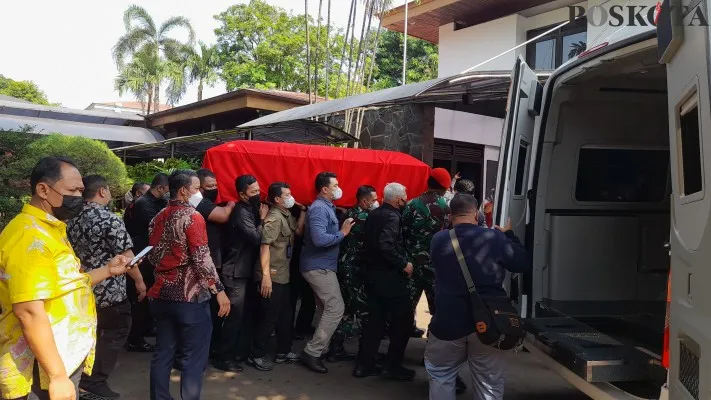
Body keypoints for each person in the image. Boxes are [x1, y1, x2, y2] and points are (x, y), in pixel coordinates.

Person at [0, 156, 131, 400]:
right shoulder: (30, 237)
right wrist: (58, 377)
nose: (79, 198)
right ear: (43, 190)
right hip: (39, 369)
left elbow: (67, 286)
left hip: (59, 357)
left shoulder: (51, 229)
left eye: (81, 190)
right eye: (72, 190)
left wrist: (108, 270)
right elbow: (28, 311)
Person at [425, 194, 530, 400]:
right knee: (488, 382)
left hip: (447, 321)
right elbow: (522, 264)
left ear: (450, 215)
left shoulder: (438, 240)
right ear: (476, 213)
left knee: (441, 375)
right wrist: (508, 235)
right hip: (488, 323)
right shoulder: (494, 238)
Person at [147, 170, 230, 400]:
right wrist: (219, 290)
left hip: (161, 294)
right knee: (194, 358)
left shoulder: (158, 217)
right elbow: (202, 258)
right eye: (196, 188)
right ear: (184, 191)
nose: (200, 193)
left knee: (163, 353)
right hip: (189, 298)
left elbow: (152, 256)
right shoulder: (193, 217)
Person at [66, 175, 148, 400]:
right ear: (102, 191)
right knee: (115, 331)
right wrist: (140, 282)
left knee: (88, 334)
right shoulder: (109, 219)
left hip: (80, 285)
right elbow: (128, 258)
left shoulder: (69, 217)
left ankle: (78, 376)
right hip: (109, 289)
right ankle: (94, 380)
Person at [354, 182, 415, 381]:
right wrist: (403, 264)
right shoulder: (392, 217)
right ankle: (392, 365)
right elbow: (386, 245)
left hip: (371, 275)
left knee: (375, 321)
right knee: (403, 320)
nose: (406, 199)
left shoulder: (375, 213)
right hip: (388, 277)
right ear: (398, 199)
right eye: (405, 195)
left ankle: (364, 365)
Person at [299, 172, 355, 373]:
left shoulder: (326, 207)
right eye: (335, 185)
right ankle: (312, 352)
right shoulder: (318, 209)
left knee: (324, 307)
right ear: (324, 188)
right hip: (318, 267)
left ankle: (318, 348)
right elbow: (320, 239)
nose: (338, 188)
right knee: (336, 307)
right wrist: (343, 233)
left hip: (322, 265)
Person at [249, 182, 306, 371]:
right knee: (270, 317)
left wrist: (303, 211)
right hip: (272, 274)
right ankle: (256, 354)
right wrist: (265, 277)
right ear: (277, 199)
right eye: (287, 195)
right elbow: (264, 246)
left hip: (283, 273)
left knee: (285, 314)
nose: (291, 197)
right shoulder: (274, 218)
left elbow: (297, 232)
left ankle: (283, 350)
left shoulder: (287, 215)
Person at [215, 174, 269, 372]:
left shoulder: (251, 208)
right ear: (242, 194)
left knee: (244, 316)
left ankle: (237, 352)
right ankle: (224, 357)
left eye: (258, 189)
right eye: (253, 191)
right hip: (235, 272)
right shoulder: (240, 212)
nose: (258, 194)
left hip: (244, 271)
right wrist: (262, 219)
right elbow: (256, 238)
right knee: (234, 317)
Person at [402, 168, 452, 336]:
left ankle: (395, 356)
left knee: (404, 310)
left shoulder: (410, 204)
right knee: (439, 311)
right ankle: (431, 354)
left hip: (410, 265)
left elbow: (400, 233)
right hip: (436, 267)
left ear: (428, 182)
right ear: (445, 187)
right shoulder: (448, 208)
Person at [331, 185, 378, 362]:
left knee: (348, 310)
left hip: (347, 268)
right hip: (355, 270)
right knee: (363, 310)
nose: (376, 203)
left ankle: (336, 348)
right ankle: (366, 353)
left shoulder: (350, 214)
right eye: (373, 200)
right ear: (364, 201)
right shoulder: (364, 217)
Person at [124, 173, 169, 353]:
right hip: (140, 256)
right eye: (166, 190)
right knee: (140, 297)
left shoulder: (157, 202)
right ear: (160, 188)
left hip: (149, 255)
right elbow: (157, 227)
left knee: (148, 295)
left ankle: (145, 328)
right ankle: (135, 339)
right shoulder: (144, 204)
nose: (168, 194)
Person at [194, 168, 236, 358]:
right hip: (205, 263)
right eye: (209, 186)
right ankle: (205, 349)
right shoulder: (197, 201)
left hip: (214, 260)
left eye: (216, 185)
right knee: (208, 308)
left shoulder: (207, 201)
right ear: (198, 188)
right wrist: (231, 204)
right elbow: (223, 215)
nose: (214, 189)